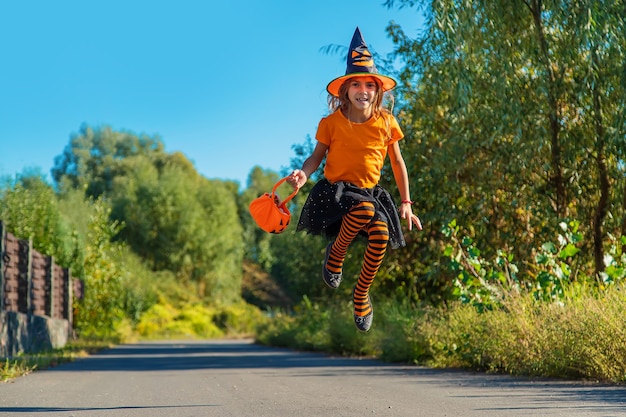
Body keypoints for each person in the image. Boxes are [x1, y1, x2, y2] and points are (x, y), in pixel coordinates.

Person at [287, 27, 422, 332]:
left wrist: (406, 202)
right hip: (336, 193)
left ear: (378, 91)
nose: (363, 90)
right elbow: (315, 157)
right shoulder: (331, 123)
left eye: (369, 85)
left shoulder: (387, 122)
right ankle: (336, 253)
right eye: (356, 84)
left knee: (382, 235)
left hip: (369, 193)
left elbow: (398, 163)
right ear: (345, 90)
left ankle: (361, 295)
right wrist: (302, 174)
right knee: (364, 210)